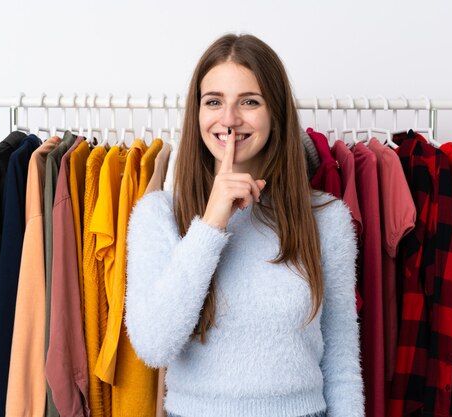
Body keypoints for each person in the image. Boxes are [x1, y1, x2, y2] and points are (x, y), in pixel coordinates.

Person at [124, 33, 363, 417]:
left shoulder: (326, 218)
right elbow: (153, 346)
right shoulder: (158, 214)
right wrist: (212, 222)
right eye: (214, 101)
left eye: (250, 102)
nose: (229, 119)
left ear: (276, 114)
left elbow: (341, 360)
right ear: (197, 113)